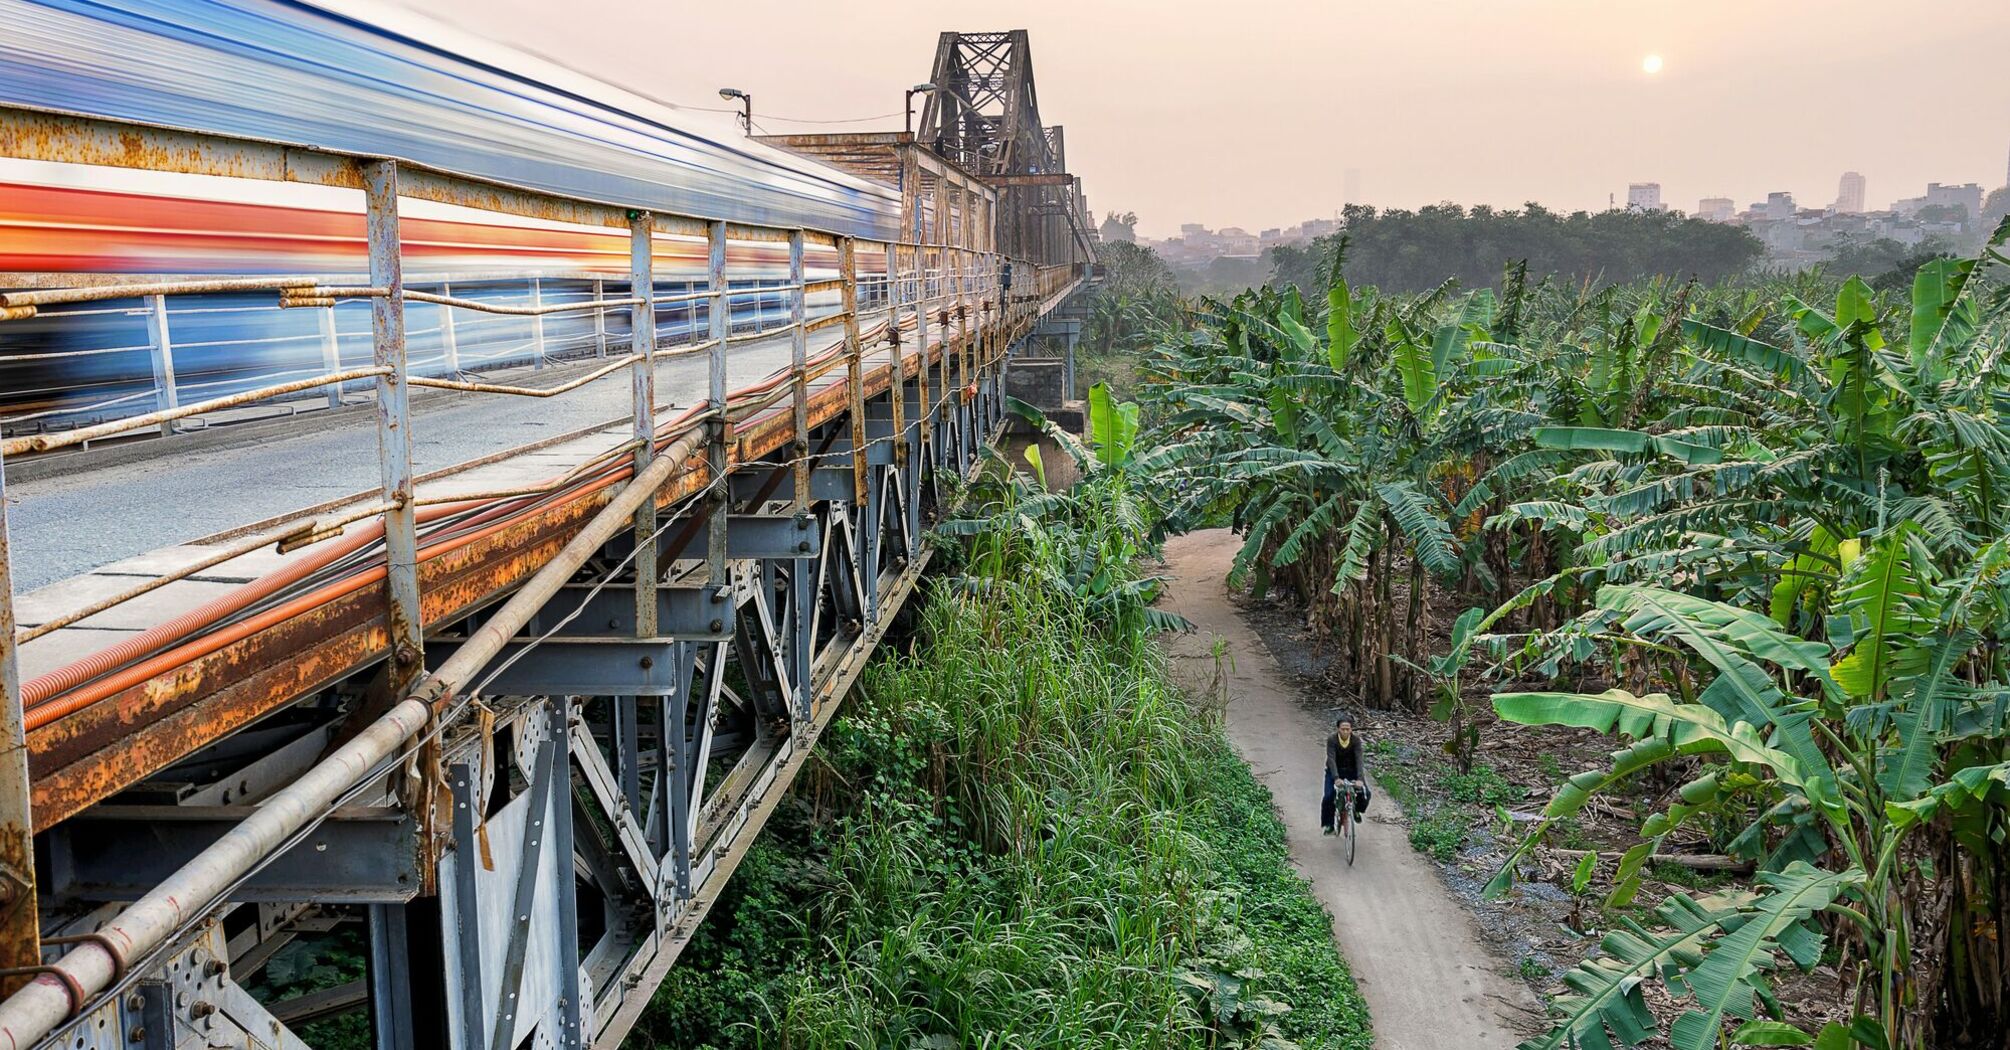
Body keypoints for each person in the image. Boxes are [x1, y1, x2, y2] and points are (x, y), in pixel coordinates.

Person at [1321, 713, 1371, 833]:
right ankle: (1329, 825)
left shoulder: (1355, 741)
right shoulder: (1332, 740)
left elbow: (1359, 759)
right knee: (1329, 796)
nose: (1345, 731)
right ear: (1338, 729)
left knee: (1365, 793)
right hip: (1335, 771)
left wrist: (1359, 778)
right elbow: (1331, 759)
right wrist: (1336, 778)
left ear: (1351, 729)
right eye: (1342, 729)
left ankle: (1357, 810)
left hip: (1352, 771)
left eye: (1347, 729)